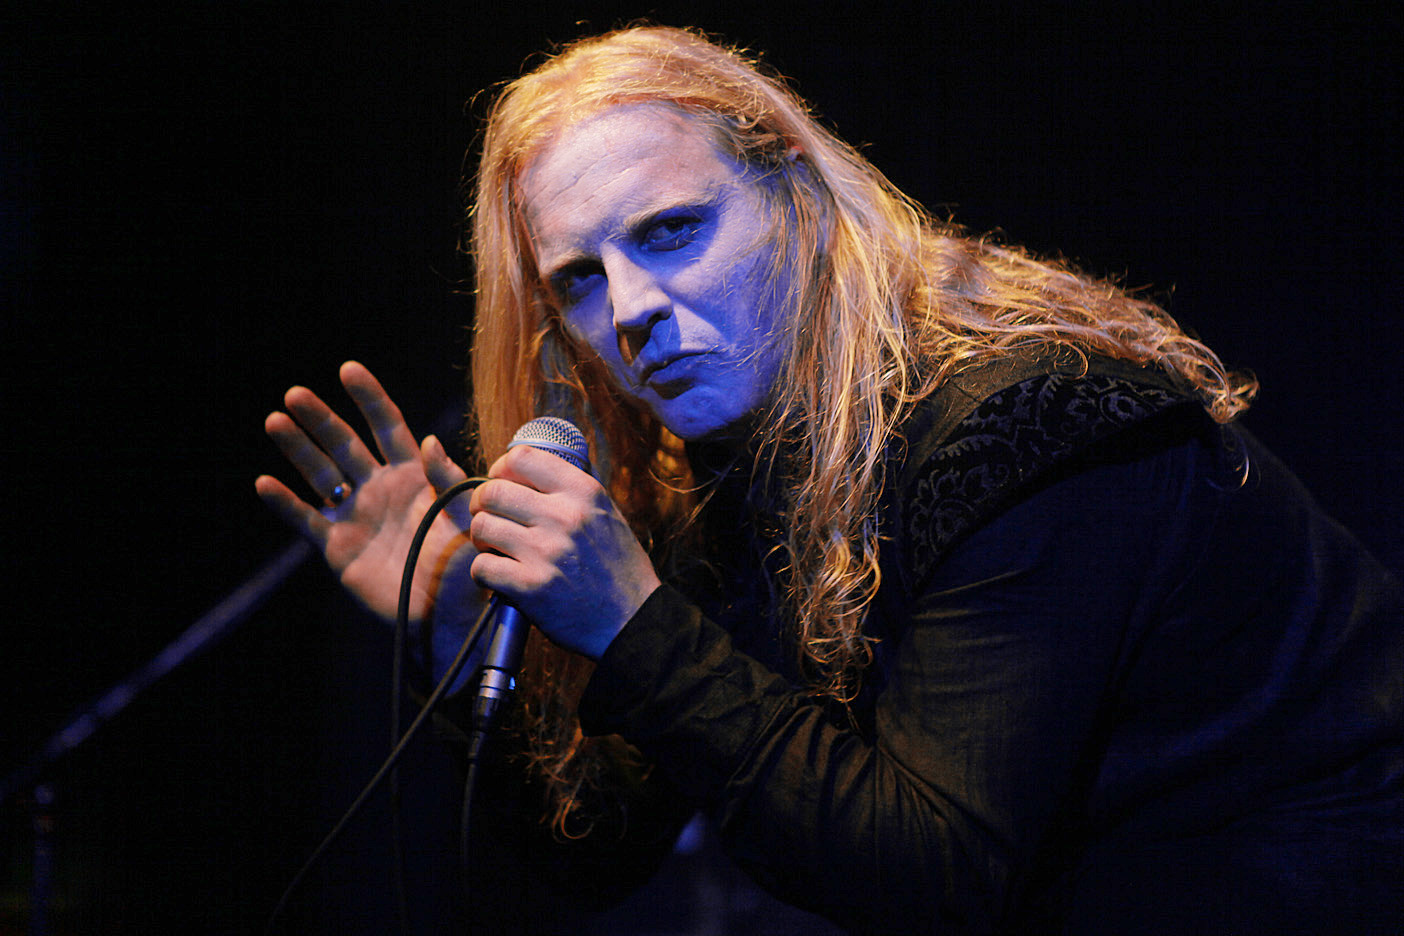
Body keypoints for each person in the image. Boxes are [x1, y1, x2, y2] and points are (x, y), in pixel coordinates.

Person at [256, 25, 1402, 935]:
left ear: (796, 193)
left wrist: (638, 627)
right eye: (581, 280)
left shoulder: (1022, 419)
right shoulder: (722, 468)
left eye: (671, 230)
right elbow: (598, 858)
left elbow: (938, 879)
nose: (634, 309)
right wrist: (460, 645)